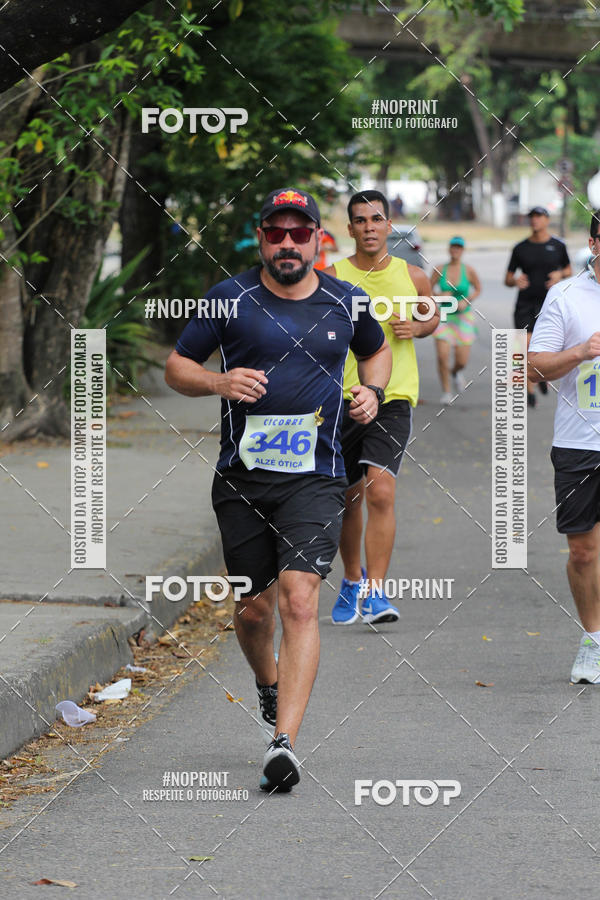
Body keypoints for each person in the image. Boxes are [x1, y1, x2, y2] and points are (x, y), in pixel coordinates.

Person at [165, 187, 391, 791]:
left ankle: (283, 743)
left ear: (318, 239)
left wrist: (372, 392)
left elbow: (377, 353)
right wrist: (218, 381)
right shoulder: (228, 298)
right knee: (253, 609)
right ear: (261, 238)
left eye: (299, 233)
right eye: (276, 233)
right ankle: (268, 683)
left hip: (317, 477)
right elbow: (176, 367)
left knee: (299, 600)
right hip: (242, 480)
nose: (287, 243)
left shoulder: (347, 300)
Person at [325, 189, 438, 625]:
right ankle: (352, 578)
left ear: (389, 226)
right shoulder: (331, 277)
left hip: (392, 396)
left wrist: (418, 327)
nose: (369, 227)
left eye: (376, 219)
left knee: (381, 491)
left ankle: (375, 592)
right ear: (350, 228)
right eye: (361, 220)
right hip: (341, 399)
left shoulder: (414, 276)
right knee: (349, 498)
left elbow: (433, 315)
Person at [528, 210, 600, 683]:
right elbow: (534, 367)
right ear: (594, 244)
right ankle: (593, 640)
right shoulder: (566, 295)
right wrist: (580, 351)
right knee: (583, 552)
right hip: (580, 442)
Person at [505, 206, 571, 408]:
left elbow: (569, 270)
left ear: (547, 220)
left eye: (539, 216)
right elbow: (508, 278)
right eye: (532, 217)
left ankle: (541, 376)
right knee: (525, 345)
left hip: (550, 304)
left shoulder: (558, 246)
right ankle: (530, 390)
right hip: (525, 304)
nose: (535, 220)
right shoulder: (520, 248)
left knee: (545, 347)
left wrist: (560, 274)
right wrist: (515, 280)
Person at [431, 236, 482, 405]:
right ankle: (446, 392)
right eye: (453, 247)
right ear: (449, 249)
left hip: (463, 318)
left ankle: (455, 372)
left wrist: (467, 300)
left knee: (461, 361)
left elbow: (478, 289)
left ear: (463, 250)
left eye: (459, 247)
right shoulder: (440, 269)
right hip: (444, 316)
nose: (455, 250)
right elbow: (426, 290)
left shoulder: (469, 270)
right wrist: (439, 295)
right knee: (442, 356)